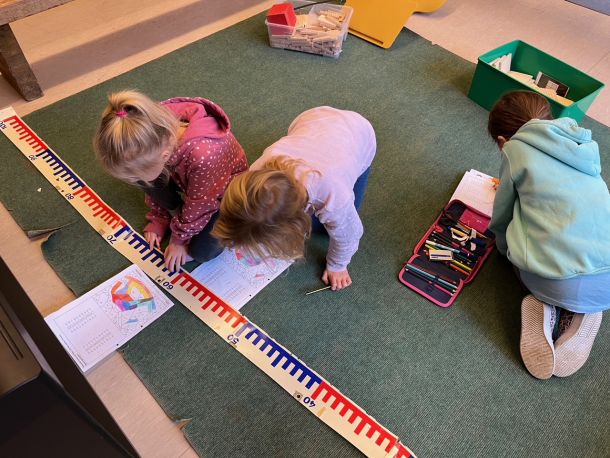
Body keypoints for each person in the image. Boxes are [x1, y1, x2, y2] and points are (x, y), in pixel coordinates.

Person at [488, 90, 610, 379]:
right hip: (606, 281)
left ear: (503, 142)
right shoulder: (584, 143)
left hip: (547, 280)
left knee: (520, 250)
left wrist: (501, 248)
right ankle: (585, 313)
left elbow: (503, 216)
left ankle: (543, 303)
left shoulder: (516, 150)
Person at [212, 106, 376, 291]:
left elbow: (350, 235)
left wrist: (337, 266)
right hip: (313, 118)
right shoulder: (258, 171)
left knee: (330, 227)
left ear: (296, 224)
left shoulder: (334, 197)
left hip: (360, 135)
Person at [94, 90, 247, 272]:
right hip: (188, 177)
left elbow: (200, 205)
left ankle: (182, 220)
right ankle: (169, 213)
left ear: (165, 156)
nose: (133, 182)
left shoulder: (203, 156)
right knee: (145, 176)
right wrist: (159, 215)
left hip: (225, 195)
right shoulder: (146, 125)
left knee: (202, 252)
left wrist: (179, 241)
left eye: (134, 178)